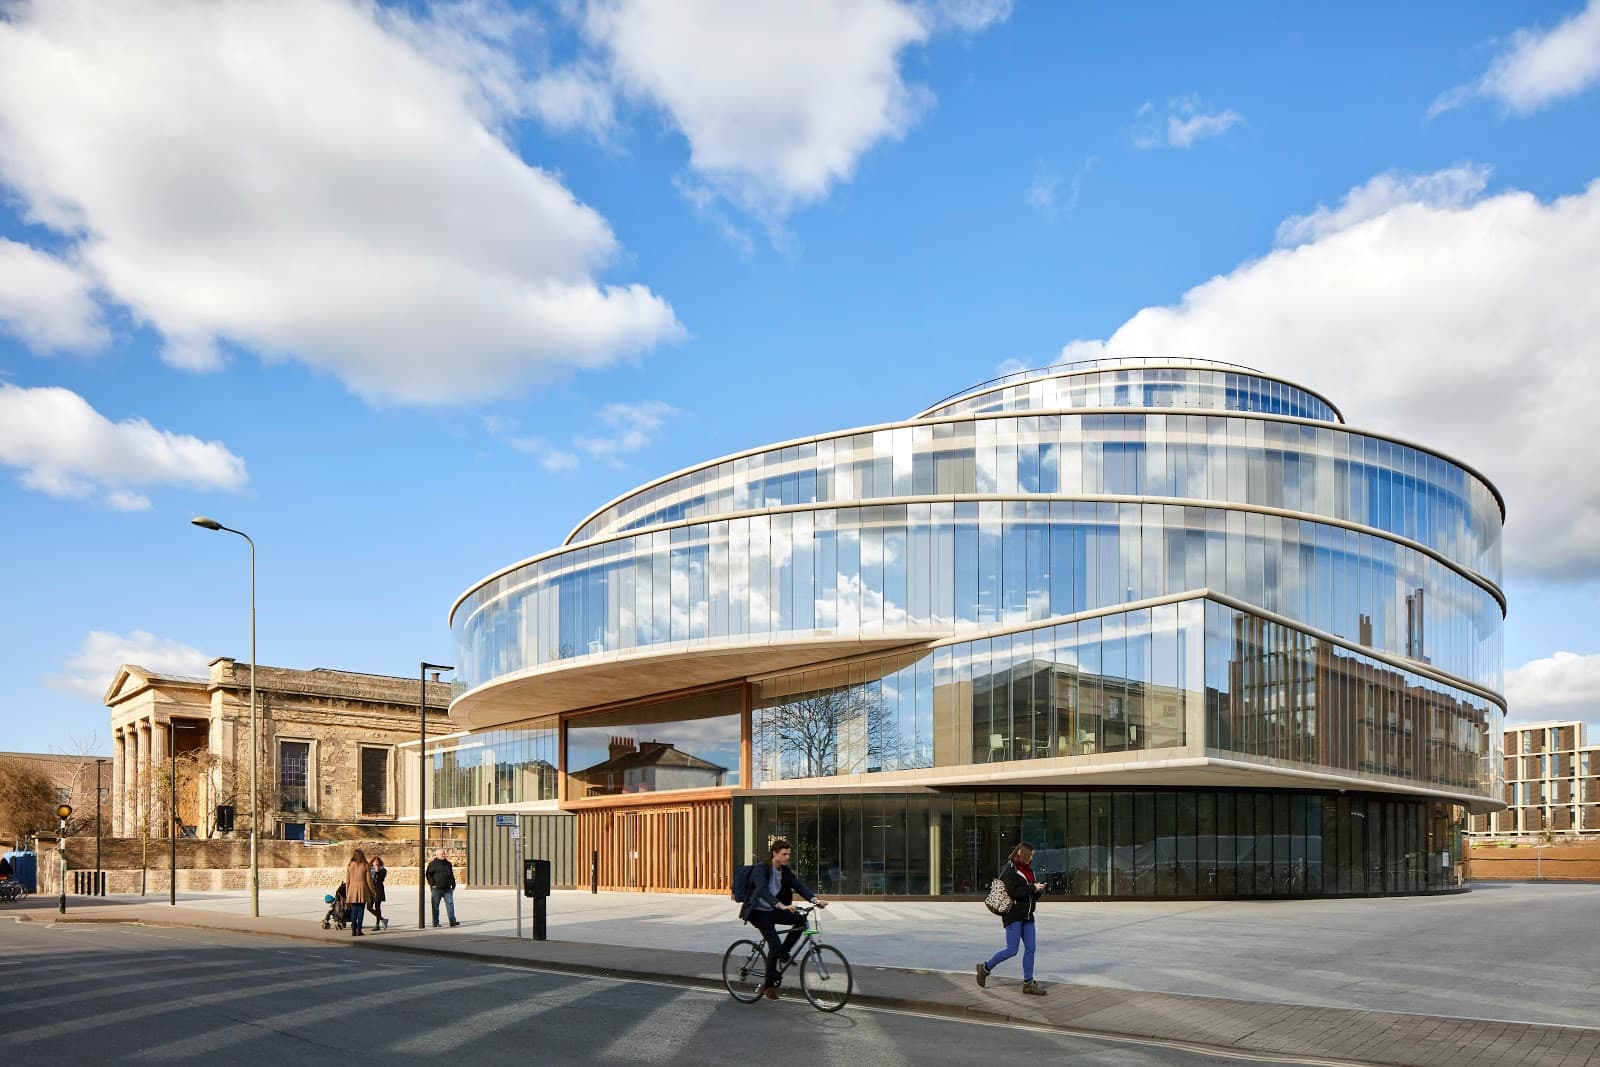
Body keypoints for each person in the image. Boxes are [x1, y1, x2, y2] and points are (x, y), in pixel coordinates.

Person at [739, 837, 827, 1000]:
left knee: (800, 920)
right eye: (784, 854)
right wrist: (780, 905)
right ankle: (768, 987)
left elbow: (798, 886)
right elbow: (763, 890)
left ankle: (783, 953)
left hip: (773, 910)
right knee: (774, 945)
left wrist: (815, 900)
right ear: (775, 853)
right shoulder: (761, 868)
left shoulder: (784, 870)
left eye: (789, 854)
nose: (787, 857)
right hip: (758, 913)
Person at [976, 841, 1047, 995]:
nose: (1031, 859)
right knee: (1011, 950)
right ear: (1021, 853)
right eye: (1030, 855)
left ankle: (1028, 983)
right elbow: (1013, 892)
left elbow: (1029, 894)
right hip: (1013, 915)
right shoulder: (1010, 869)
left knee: (1031, 949)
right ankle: (985, 968)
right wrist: (1032, 887)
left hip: (1028, 916)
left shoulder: (1029, 871)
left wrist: (1038, 890)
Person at [344, 849, 375, 937]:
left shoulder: (350, 865)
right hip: (363, 888)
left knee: (354, 910)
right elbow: (369, 881)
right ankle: (359, 930)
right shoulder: (365, 865)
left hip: (352, 889)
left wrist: (347, 893)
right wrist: (373, 891)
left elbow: (347, 880)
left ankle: (353, 930)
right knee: (361, 910)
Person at [426, 848, 458, 928]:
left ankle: (452, 921)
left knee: (450, 904)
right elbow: (428, 875)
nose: (444, 855)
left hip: (447, 889)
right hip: (437, 889)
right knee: (435, 906)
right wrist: (432, 884)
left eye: (444, 853)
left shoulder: (448, 864)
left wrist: (453, 884)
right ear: (437, 855)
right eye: (442, 854)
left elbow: (451, 874)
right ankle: (435, 922)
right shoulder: (432, 864)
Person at [368, 856, 387, 932]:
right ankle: (383, 919)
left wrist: (376, 870)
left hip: (378, 889)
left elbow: (381, 879)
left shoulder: (383, 870)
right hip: (370, 890)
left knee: (377, 907)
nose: (376, 863)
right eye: (374, 862)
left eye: (377, 862)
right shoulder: (369, 870)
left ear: (379, 862)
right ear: (372, 862)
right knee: (369, 907)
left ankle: (377, 924)